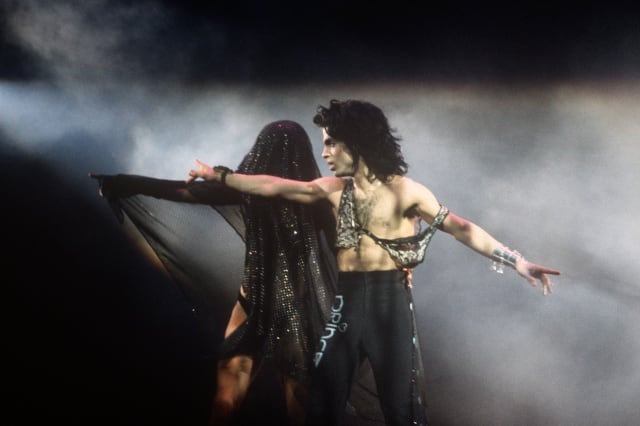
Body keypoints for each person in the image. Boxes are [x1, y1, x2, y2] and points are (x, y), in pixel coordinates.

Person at [187, 99, 562, 426]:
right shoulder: (332, 190)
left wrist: (517, 261)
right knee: (320, 406)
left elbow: (461, 228)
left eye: (332, 143)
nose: (325, 153)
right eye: (324, 144)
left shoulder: (406, 192)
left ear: (357, 142)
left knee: (401, 413)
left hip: (390, 310)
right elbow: (273, 186)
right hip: (346, 308)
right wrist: (220, 175)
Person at [90, 120, 339, 425]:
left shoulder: (253, 191)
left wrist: (123, 183)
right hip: (294, 306)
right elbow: (344, 248)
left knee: (230, 399)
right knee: (296, 403)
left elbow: (180, 191)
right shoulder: (316, 196)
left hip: (257, 302)